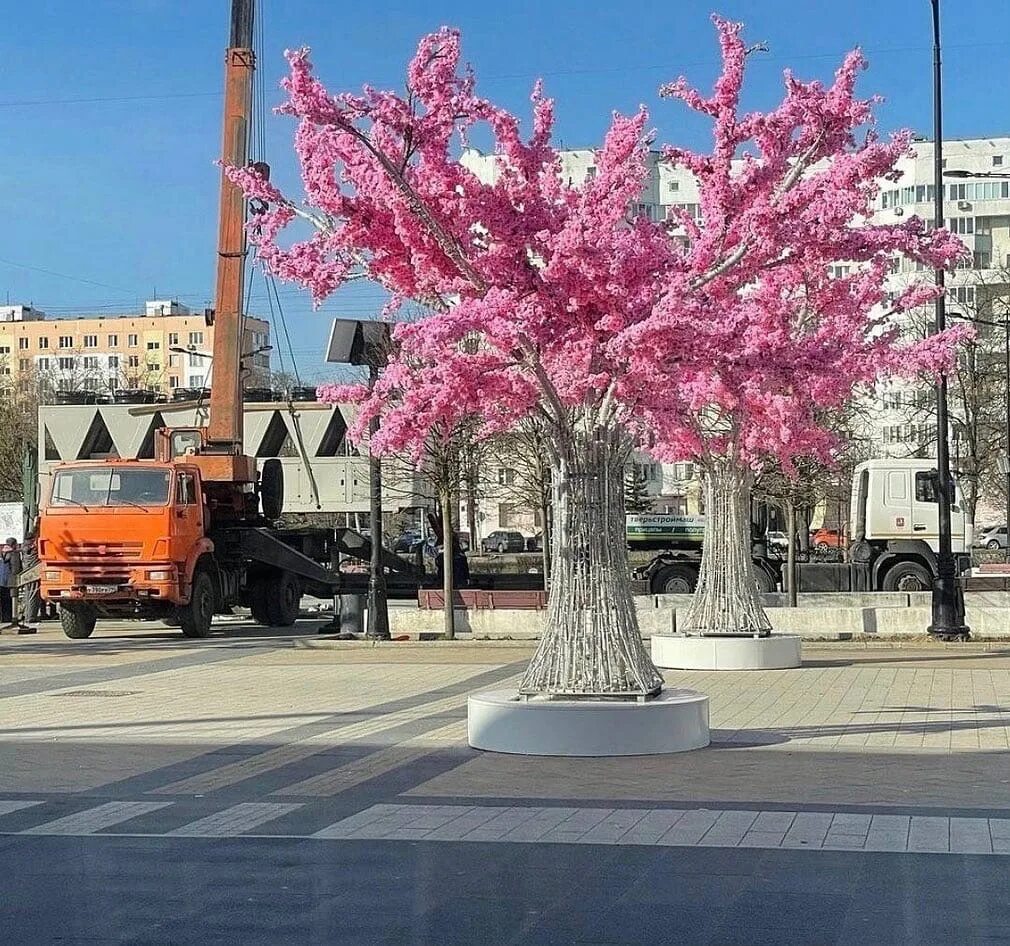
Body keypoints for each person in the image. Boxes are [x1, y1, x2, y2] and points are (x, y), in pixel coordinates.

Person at [0, 538, 19, 626]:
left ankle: (4, 618)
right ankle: (8, 618)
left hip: (1, 580)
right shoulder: (14, 553)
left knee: (3, 602)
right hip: (9, 580)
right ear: (14, 544)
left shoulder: (2, 552)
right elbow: (15, 569)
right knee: (8, 601)